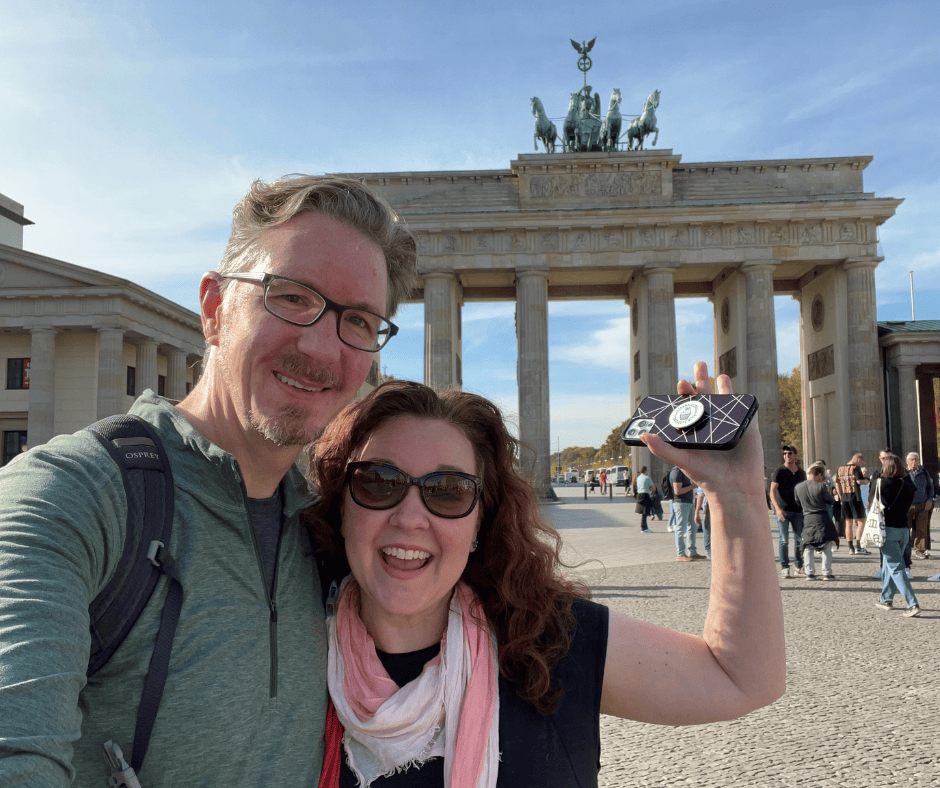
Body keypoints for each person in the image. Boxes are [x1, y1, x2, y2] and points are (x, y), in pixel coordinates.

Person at [0, 175, 417, 786]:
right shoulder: (72, 496)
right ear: (216, 308)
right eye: (293, 296)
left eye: (357, 321)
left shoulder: (329, 530)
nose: (322, 348)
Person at [306, 365, 785, 787]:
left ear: (479, 523)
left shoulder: (548, 642)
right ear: (342, 506)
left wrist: (736, 496)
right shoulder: (285, 660)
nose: (410, 517)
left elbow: (741, 678)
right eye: (378, 482)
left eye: (449, 491)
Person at [873, 454, 921, 617]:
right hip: (903, 530)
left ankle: (912, 604)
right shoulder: (907, 485)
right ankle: (886, 599)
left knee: (896, 567)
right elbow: (912, 488)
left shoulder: (881, 483)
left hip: (887, 530)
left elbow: (872, 502)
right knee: (889, 565)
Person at [794, 465, 839, 580]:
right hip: (822, 517)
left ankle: (809, 572)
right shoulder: (821, 486)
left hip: (807, 518)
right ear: (819, 475)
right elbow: (831, 500)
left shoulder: (798, 487)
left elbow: (797, 502)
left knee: (808, 545)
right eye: (821, 476)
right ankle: (826, 572)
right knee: (827, 544)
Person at [770, 445, 807, 578]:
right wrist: (777, 509)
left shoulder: (801, 473)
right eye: (785, 453)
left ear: (795, 455)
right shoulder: (779, 471)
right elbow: (772, 491)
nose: (787, 455)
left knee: (799, 540)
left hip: (798, 511)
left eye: (790, 453)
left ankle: (798, 565)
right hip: (783, 511)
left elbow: (804, 491)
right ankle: (785, 567)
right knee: (784, 540)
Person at [836, 453, 869, 555]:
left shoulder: (840, 468)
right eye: (862, 461)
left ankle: (850, 548)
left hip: (845, 497)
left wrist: (840, 496)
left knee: (848, 523)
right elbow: (859, 481)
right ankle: (858, 546)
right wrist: (866, 480)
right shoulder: (856, 468)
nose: (862, 463)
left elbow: (837, 483)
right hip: (855, 497)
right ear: (858, 459)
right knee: (861, 521)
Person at [670, 464, 703, 561]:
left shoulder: (685, 471)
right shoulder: (677, 471)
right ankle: (680, 554)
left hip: (689, 502)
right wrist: (692, 486)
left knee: (692, 527)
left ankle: (692, 552)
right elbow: (677, 491)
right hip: (681, 503)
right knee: (681, 528)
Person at [906, 452, 934, 560]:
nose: (914, 462)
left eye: (916, 459)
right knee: (904, 528)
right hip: (907, 506)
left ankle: (920, 550)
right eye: (911, 459)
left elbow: (930, 487)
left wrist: (929, 500)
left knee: (921, 529)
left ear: (918, 461)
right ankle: (904, 549)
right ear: (907, 461)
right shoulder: (903, 473)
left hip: (922, 505)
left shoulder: (924, 472)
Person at [693, 486, 711, 560]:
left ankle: (709, 551)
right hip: (710, 505)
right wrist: (696, 512)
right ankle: (709, 551)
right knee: (708, 528)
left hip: (711, 505)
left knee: (708, 528)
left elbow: (700, 494)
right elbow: (701, 493)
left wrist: (697, 512)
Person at [634, 465, 654, 532]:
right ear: (645, 471)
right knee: (645, 513)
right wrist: (650, 489)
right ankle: (644, 528)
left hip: (639, 495)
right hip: (645, 495)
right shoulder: (647, 478)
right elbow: (653, 488)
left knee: (643, 512)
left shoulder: (638, 478)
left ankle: (644, 527)